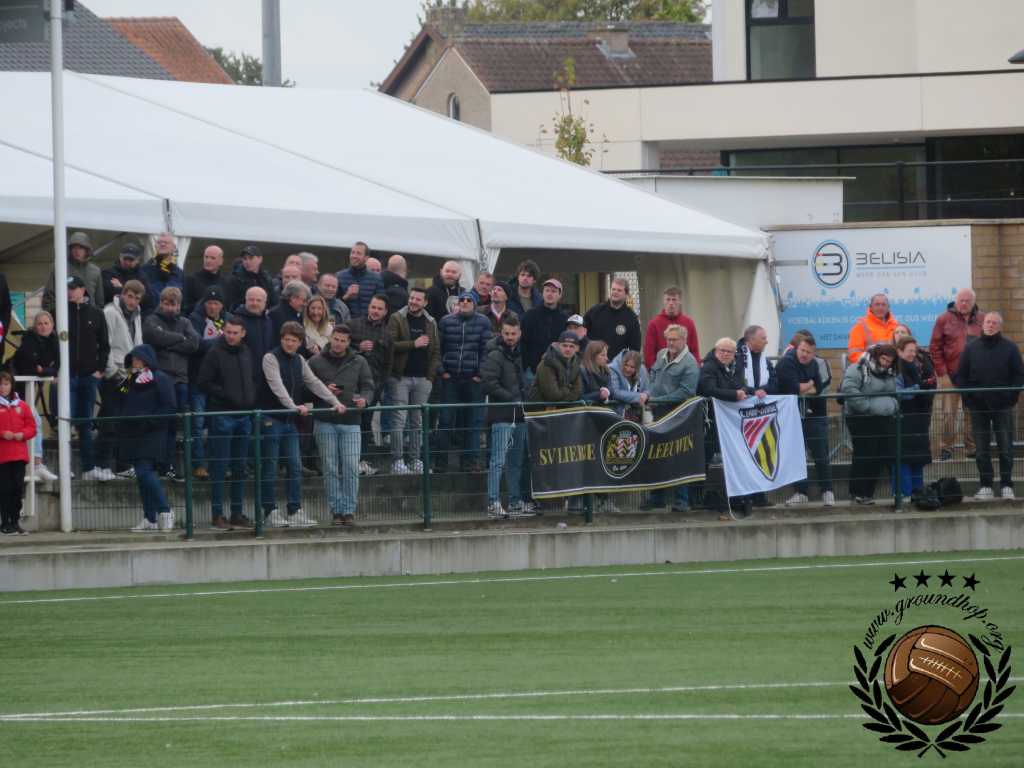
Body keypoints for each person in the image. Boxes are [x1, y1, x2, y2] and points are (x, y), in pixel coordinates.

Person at [259, 322, 345, 527]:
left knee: (295, 466)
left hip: (290, 421)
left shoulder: (299, 359)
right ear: (281, 339)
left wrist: (334, 401)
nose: (289, 344)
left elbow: (313, 382)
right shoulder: (270, 358)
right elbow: (277, 386)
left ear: (300, 343)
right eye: (286, 339)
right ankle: (269, 511)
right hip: (272, 418)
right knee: (270, 466)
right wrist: (293, 406)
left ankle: (294, 509)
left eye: (294, 341)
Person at [954, 312, 1024, 501]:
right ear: (982, 324)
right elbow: (961, 376)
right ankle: (986, 485)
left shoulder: (1010, 348)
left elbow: (1019, 375)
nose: (990, 325)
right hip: (978, 408)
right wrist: (970, 399)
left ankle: (1007, 485)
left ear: (1000, 326)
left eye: (994, 323)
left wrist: (1010, 398)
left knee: (1006, 448)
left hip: (1003, 406)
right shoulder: (971, 348)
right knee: (981, 449)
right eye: (988, 322)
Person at [309, 324, 373, 526]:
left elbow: (368, 386)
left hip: (351, 420)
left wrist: (364, 400)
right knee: (329, 468)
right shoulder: (315, 361)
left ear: (348, 342)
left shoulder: (359, 361)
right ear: (331, 338)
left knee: (351, 467)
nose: (338, 343)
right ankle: (336, 511)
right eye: (336, 339)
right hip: (324, 420)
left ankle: (349, 510)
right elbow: (304, 388)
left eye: (343, 341)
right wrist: (324, 390)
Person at [197, 315, 256, 530]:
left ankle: (236, 513)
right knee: (219, 466)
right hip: (222, 414)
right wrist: (227, 394)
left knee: (240, 467)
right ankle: (217, 514)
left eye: (234, 333)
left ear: (243, 333)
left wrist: (249, 398)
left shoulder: (247, 352)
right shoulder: (214, 353)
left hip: (244, 415)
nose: (230, 336)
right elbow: (203, 382)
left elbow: (252, 378)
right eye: (228, 332)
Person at [142, 287, 199, 479]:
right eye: (166, 303)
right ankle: (157, 463)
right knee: (159, 424)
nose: (169, 307)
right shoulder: (151, 320)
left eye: (173, 304)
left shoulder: (185, 322)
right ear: (161, 302)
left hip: (180, 380)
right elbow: (154, 337)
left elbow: (194, 344)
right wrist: (179, 338)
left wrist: (167, 343)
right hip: (159, 380)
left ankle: (168, 465)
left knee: (173, 426)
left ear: (179, 305)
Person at [641, 325, 700, 514]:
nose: (671, 343)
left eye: (674, 339)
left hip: (679, 415)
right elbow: (652, 376)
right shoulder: (661, 354)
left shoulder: (690, 363)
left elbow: (685, 392)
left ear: (684, 340)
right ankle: (657, 498)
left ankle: (681, 500)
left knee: (678, 456)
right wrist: (649, 394)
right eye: (668, 339)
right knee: (656, 454)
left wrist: (656, 399)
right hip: (658, 413)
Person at [119, 344, 177, 532]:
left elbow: (169, 405)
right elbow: (119, 396)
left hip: (153, 433)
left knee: (145, 472)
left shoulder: (160, 378)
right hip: (133, 433)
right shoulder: (131, 379)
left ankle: (165, 510)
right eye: (133, 358)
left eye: (138, 358)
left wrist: (150, 421)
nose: (135, 361)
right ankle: (149, 518)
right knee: (141, 477)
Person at [481, 313, 533, 519]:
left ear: (519, 334)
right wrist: (512, 397)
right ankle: (493, 502)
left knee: (516, 460)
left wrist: (523, 397)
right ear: (501, 333)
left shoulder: (519, 354)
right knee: (498, 460)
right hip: (502, 414)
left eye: (513, 333)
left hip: (518, 414)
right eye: (506, 333)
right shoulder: (495, 355)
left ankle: (514, 501)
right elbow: (489, 383)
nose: (510, 337)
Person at [436, 292, 493, 472]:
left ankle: (470, 462)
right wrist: (442, 371)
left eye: (469, 300)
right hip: (450, 378)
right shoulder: (446, 321)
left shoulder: (484, 322)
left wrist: (480, 374)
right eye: (462, 300)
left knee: (473, 422)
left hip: (473, 379)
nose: (465, 302)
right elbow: (437, 348)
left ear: (475, 304)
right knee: (445, 421)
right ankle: (440, 463)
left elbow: (487, 350)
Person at [386, 286, 440, 475]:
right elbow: (390, 345)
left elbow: (436, 351)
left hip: (423, 379)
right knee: (399, 420)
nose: (413, 302)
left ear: (425, 302)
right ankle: (397, 461)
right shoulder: (397, 318)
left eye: (418, 299)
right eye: (411, 298)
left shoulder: (431, 321)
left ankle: (415, 460)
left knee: (418, 422)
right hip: (400, 377)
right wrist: (413, 344)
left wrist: (430, 378)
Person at [776, 332, 834, 507]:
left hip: (814, 414)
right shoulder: (786, 362)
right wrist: (809, 384)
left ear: (813, 353)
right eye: (802, 350)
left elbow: (820, 387)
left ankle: (827, 491)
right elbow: (793, 388)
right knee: (796, 455)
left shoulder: (815, 364)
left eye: (808, 352)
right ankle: (801, 493)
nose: (804, 354)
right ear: (797, 348)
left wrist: (806, 387)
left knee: (821, 454)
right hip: (792, 415)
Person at [96, 279, 146, 481]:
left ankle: (121, 464)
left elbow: (137, 343)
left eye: (137, 298)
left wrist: (137, 370)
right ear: (123, 294)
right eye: (130, 296)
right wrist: (112, 371)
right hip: (114, 375)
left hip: (129, 376)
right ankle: (103, 465)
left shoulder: (137, 314)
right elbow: (105, 344)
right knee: (110, 420)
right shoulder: (110, 312)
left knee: (122, 420)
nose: (132, 301)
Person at [699, 337, 753, 517]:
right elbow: (709, 389)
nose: (724, 354)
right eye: (721, 350)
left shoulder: (737, 366)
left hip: (729, 422)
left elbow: (741, 385)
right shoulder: (708, 367)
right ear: (716, 351)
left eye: (729, 351)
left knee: (734, 459)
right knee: (705, 458)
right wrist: (734, 394)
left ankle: (737, 497)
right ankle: (697, 497)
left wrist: (749, 391)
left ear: (734, 354)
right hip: (710, 421)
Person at [840, 344, 899, 505]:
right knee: (864, 454)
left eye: (889, 361)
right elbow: (849, 389)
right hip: (861, 418)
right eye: (883, 359)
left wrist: (892, 405)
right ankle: (857, 492)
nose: (886, 363)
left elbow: (894, 391)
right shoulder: (857, 369)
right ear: (876, 356)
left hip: (883, 418)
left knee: (879, 456)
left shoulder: (890, 372)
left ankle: (868, 493)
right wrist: (866, 407)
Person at [929, 288, 983, 461]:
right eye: (961, 300)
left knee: (972, 413)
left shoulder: (982, 319)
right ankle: (946, 448)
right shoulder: (944, 319)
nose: (964, 303)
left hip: (974, 377)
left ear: (973, 302)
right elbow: (934, 347)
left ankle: (972, 447)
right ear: (956, 301)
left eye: (968, 300)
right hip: (949, 375)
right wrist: (942, 373)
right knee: (948, 414)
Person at [67, 276, 110, 480]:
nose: (70, 292)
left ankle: (88, 468)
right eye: (68, 288)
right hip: (67, 376)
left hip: (88, 376)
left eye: (74, 288)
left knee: (85, 424)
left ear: (83, 289)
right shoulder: (59, 312)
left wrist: (99, 370)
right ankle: (66, 467)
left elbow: (105, 345)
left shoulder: (96, 313)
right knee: (65, 422)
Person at [11, 312, 59, 482]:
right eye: (40, 323)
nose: (43, 326)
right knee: (33, 420)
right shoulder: (29, 341)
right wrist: (47, 371)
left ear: (52, 325)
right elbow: (30, 368)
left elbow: (57, 367)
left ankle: (36, 464)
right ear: (35, 326)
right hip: (14, 389)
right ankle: (36, 464)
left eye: (46, 323)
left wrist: (44, 370)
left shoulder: (54, 342)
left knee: (33, 421)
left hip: (26, 389)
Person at [187, 285, 228, 479]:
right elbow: (197, 345)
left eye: (216, 303)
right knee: (197, 424)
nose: (212, 307)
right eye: (209, 303)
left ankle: (217, 465)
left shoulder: (228, 320)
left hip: (219, 381)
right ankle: (198, 464)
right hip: (198, 380)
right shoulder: (194, 319)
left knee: (217, 425)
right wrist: (221, 341)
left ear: (222, 305)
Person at [349, 295, 393, 474]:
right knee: (351, 421)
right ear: (368, 307)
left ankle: (363, 460)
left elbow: (388, 363)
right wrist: (358, 348)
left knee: (366, 422)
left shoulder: (388, 334)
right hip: (351, 383)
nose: (375, 311)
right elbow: (338, 348)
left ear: (385, 312)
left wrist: (381, 384)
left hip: (373, 386)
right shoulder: (352, 325)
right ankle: (350, 460)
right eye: (373, 307)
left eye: (379, 309)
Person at [893, 335, 936, 504]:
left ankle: (917, 492)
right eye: (909, 351)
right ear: (899, 351)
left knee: (918, 458)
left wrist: (926, 387)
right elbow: (899, 393)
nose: (912, 354)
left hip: (919, 418)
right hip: (904, 419)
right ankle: (904, 493)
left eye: (914, 350)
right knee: (904, 458)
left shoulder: (917, 366)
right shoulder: (896, 369)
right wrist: (920, 387)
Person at [578, 340, 618, 515]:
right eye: (602, 355)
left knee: (604, 461)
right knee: (588, 462)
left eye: (606, 355)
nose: (606, 358)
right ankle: (584, 502)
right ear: (593, 356)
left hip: (603, 421)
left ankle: (604, 499)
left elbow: (612, 391)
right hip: (587, 421)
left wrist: (608, 394)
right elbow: (580, 396)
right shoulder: (583, 371)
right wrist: (598, 395)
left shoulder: (606, 371)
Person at [0, 370, 37, 535]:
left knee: (17, 489)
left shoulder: (22, 405)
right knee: (5, 489)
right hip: (2, 456)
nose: (3, 387)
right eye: (0, 384)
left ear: (11, 385)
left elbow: (32, 427)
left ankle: (15, 522)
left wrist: (22, 434)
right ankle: (5, 523)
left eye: (6, 384)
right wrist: (2, 433)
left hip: (19, 455)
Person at [43, 231, 104, 313]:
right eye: (74, 247)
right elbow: (47, 299)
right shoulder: (60, 268)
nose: (77, 251)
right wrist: (57, 315)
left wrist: (95, 317)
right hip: (65, 317)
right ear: (70, 249)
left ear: (87, 250)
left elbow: (100, 302)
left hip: (89, 317)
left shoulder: (95, 271)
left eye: (80, 248)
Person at [584, 277, 641, 361]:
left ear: (626, 294)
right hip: (592, 362)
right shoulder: (595, 311)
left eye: (619, 290)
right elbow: (581, 331)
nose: (615, 292)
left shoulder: (631, 318)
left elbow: (635, 349)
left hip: (616, 365)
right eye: (613, 289)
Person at [643, 286, 699, 370]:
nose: (671, 303)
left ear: (680, 301)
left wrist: (695, 369)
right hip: (662, 371)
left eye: (674, 299)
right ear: (664, 301)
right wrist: (655, 372)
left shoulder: (689, 323)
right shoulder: (654, 324)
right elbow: (649, 353)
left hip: (685, 371)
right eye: (668, 299)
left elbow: (694, 350)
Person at [521, 278, 569, 375]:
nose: (549, 294)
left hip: (557, 370)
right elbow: (522, 341)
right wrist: (526, 366)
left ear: (560, 295)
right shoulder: (530, 315)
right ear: (542, 293)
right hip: (532, 371)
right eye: (547, 290)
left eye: (553, 291)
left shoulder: (565, 319)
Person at [233, 287, 274, 386]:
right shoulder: (236, 321)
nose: (254, 303)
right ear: (245, 300)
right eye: (251, 299)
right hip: (243, 376)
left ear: (265, 303)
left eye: (258, 300)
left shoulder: (268, 321)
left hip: (265, 376)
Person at [529, 330, 582, 403]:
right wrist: (568, 389)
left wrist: (565, 397)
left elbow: (578, 391)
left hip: (563, 406)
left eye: (571, 346)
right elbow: (552, 395)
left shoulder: (576, 363)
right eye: (564, 345)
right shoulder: (547, 362)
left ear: (577, 348)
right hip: (541, 407)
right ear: (558, 345)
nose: (568, 349)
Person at [102, 241, 154, 314]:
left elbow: (149, 299)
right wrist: (136, 292)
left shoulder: (142, 276)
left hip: (136, 315)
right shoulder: (108, 273)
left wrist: (121, 288)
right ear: (120, 257)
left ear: (138, 260)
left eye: (131, 260)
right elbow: (107, 294)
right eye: (125, 259)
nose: (127, 262)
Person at [847, 293, 899, 364]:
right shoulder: (860, 326)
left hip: (894, 366)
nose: (880, 307)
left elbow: (904, 350)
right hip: (869, 367)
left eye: (883, 304)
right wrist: (873, 362)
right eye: (877, 304)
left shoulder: (896, 326)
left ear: (888, 308)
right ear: (870, 307)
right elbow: (854, 354)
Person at [337, 241, 385, 318]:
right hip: (346, 323)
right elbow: (333, 305)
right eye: (353, 252)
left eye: (358, 253)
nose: (354, 256)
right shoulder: (339, 276)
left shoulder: (376, 279)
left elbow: (382, 305)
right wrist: (346, 296)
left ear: (366, 258)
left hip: (368, 323)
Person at [227, 244, 277, 311]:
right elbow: (232, 304)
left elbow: (273, 302)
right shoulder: (235, 279)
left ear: (260, 259)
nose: (247, 261)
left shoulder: (266, 278)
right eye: (245, 259)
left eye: (251, 258)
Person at [183, 245, 228, 316]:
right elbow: (185, 307)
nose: (208, 261)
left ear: (221, 261)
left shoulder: (225, 282)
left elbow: (227, 307)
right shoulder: (191, 280)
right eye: (206, 257)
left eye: (213, 258)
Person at [140, 232, 185, 303]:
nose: (162, 244)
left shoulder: (178, 272)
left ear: (174, 247)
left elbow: (175, 295)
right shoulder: (145, 269)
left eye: (166, 242)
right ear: (155, 246)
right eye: (159, 242)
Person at [736, 325, 777, 398]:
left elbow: (774, 382)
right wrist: (753, 391)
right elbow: (734, 383)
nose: (766, 342)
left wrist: (763, 390)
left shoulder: (765, 361)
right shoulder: (735, 357)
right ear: (751, 340)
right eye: (763, 338)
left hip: (761, 401)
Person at [608, 348, 649, 422]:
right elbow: (615, 392)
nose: (628, 369)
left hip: (637, 414)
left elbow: (647, 388)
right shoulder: (613, 368)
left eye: (632, 367)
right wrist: (638, 396)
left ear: (637, 368)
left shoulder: (642, 369)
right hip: (617, 413)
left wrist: (646, 395)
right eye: (626, 365)